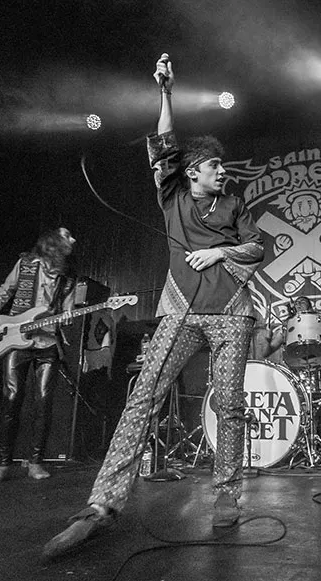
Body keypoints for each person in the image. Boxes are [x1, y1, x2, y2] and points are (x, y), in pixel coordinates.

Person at [43, 53, 264, 559]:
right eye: (215, 166)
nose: (223, 172)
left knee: (229, 407)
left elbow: (258, 247)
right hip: (180, 310)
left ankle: (227, 496)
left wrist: (221, 249)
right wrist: (165, 92)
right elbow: (165, 142)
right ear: (193, 172)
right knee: (142, 399)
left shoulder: (233, 205)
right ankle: (101, 504)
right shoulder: (171, 194)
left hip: (232, 313)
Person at [0, 228, 77, 484]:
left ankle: (36, 462)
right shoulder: (25, 265)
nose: (73, 240)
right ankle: (2, 465)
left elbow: (66, 312)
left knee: (44, 402)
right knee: (11, 400)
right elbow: (6, 290)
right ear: (54, 244)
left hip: (47, 343)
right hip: (16, 340)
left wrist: (67, 318)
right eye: (67, 236)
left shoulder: (68, 280)